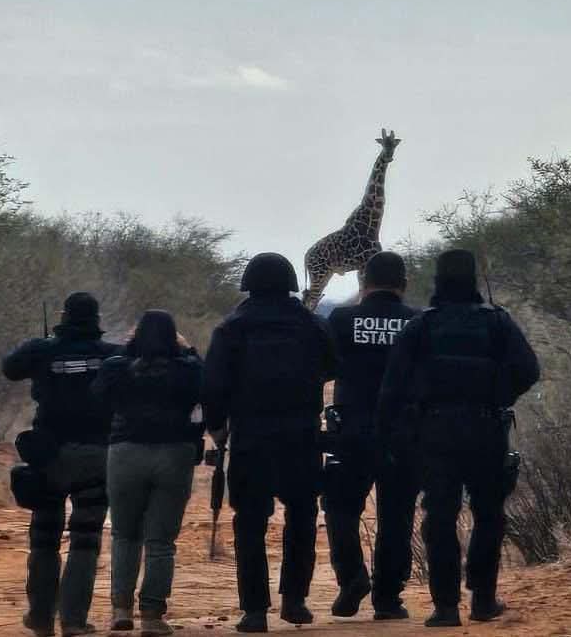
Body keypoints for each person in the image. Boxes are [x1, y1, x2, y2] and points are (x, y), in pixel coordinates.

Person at [377, 250, 540, 628]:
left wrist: (389, 436)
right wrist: (500, 395)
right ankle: (483, 600)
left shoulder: (421, 326)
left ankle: (446, 608)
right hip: (486, 430)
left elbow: (392, 388)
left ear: (437, 280)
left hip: (435, 434)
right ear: (474, 279)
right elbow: (528, 370)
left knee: (440, 518)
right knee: (488, 515)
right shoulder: (498, 322)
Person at [203, 252, 337, 633]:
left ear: (248, 284)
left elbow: (213, 384)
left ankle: (255, 611)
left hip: (251, 437)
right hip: (302, 435)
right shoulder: (313, 325)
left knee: (249, 522)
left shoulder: (232, 328)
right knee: (302, 515)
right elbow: (333, 366)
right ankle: (294, 600)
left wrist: (217, 428)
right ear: (292, 284)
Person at [2, 292, 122, 637]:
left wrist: (40, 345)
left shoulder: (43, 350)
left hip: (48, 457)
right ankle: (73, 621)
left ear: (64, 316)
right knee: (85, 539)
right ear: (97, 319)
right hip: (96, 457)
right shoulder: (113, 355)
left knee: (44, 537)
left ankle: (40, 617)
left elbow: (10, 368)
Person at [321, 251, 420, 620]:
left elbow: (324, 368)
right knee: (397, 515)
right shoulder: (416, 322)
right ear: (404, 285)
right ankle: (388, 598)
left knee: (340, 507)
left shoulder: (343, 319)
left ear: (363, 285)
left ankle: (352, 578)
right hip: (403, 434)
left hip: (352, 431)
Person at [93, 310, 203, 637]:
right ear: (173, 338)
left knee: (125, 535)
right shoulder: (188, 369)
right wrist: (187, 350)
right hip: (174, 455)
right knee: (161, 541)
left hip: (125, 454)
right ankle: (153, 615)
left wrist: (127, 349)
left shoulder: (116, 366)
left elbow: (97, 399)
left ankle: (120, 609)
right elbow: (209, 385)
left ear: (135, 335)